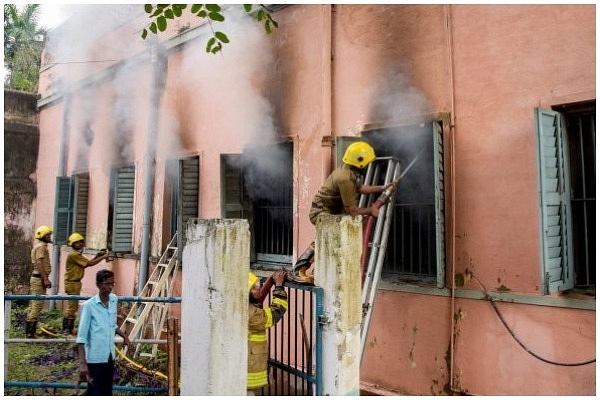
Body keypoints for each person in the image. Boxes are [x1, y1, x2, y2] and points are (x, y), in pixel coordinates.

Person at [290, 141, 396, 283]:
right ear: (360, 163)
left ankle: (319, 271)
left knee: (337, 239)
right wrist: (371, 210)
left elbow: (360, 188)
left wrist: (382, 188)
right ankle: (298, 270)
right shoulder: (344, 178)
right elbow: (352, 210)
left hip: (331, 212)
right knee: (329, 237)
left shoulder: (349, 171)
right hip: (321, 212)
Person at [76, 269, 131, 396]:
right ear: (99, 284)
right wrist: (83, 364)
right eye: (107, 284)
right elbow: (81, 338)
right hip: (95, 358)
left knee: (106, 391)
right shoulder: (90, 306)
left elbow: (112, 324)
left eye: (112, 283)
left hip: (109, 356)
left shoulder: (113, 300)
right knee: (95, 391)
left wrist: (124, 336)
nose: (110, 287)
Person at [247, 270, 288, 395]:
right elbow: (276, 312)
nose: (258, 289)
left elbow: (257, 301)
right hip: (248, 373)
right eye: (254, 288)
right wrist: (279, 286)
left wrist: (270, 282)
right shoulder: (251, 315)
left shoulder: (241, 305)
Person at [63, 232, 111, 334]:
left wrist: (98, 255)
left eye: (81, 242)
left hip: (74, 282)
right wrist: (103, 257)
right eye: (77, 243)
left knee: (73, 305)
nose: (79, 244)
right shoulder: (74, 254)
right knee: (72, 306)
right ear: (72, 244)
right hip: (72, 282)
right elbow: (89, 263)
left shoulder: (77, 255)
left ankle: (69, 329)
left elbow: (85, 264)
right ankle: (67, 330)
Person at [25, 225, 53, 338]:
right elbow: (39, 262)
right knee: (37, 305)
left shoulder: (41, 246)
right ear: (42, 236)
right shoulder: (42, 247)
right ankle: (30, 333)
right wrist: (45, 278)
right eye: (48, 235)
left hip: (37, 278)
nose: (49, 236)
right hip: (39, 278)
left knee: (33, 304)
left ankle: (29, 331)